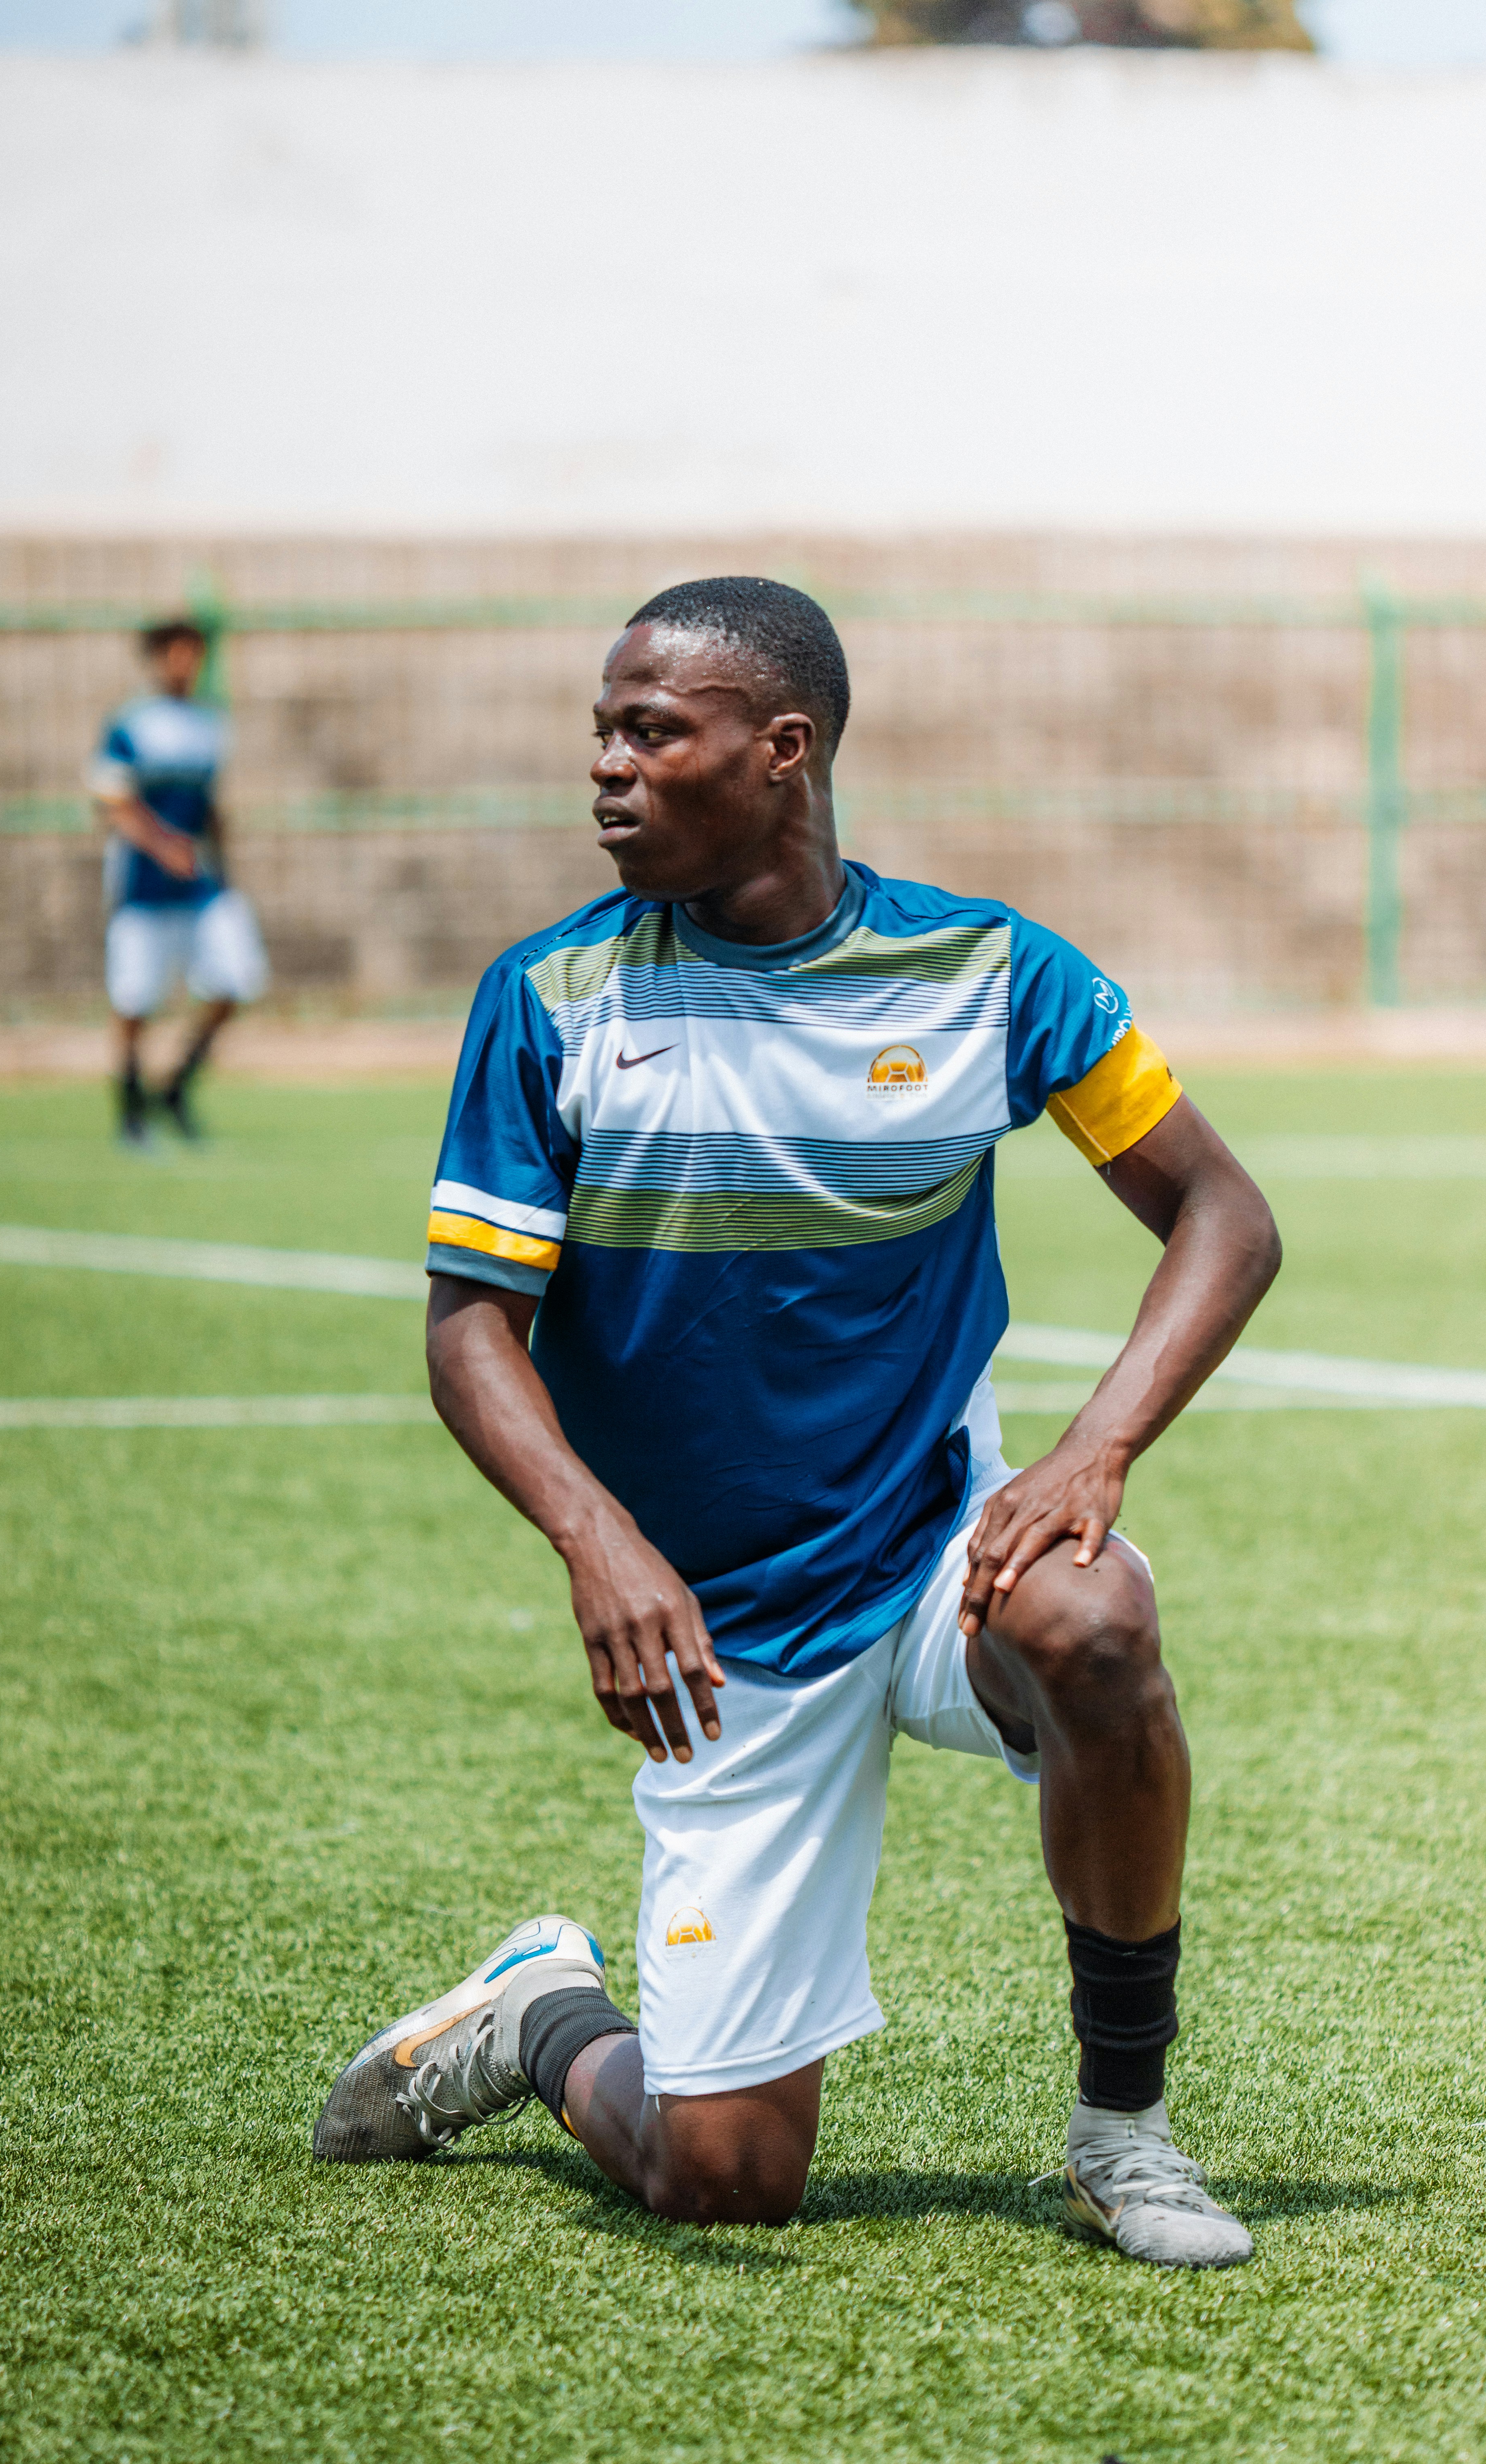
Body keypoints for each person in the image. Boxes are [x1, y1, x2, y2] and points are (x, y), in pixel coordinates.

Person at [314, 578, 1282, 2269]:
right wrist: (597, 1541)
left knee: (1094, 1612)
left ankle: (1121, 2131)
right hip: (718, 1638)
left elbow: (1222, 1213)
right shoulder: (550, 1002)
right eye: (599, 733)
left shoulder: (985, 971)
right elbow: (473, 1331)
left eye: (648, 732)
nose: (605, 770)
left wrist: (1088, 1451)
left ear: (783, 750)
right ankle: (542, 2012)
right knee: (725, 2180)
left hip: (926, 1562)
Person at [89, 617, 268, 1144]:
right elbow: (112, 802)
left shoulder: (211, 724)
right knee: (134, 1000)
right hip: (144, 887)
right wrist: (163, 846)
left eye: (192, 653)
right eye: (175, 653)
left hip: (201, 887)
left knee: (236, 981)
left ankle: (175, 1086)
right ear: (158, 658)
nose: (184, 663)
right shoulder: (131, 723)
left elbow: (208, 804)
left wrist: (223, 857)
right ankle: (129, 1108)